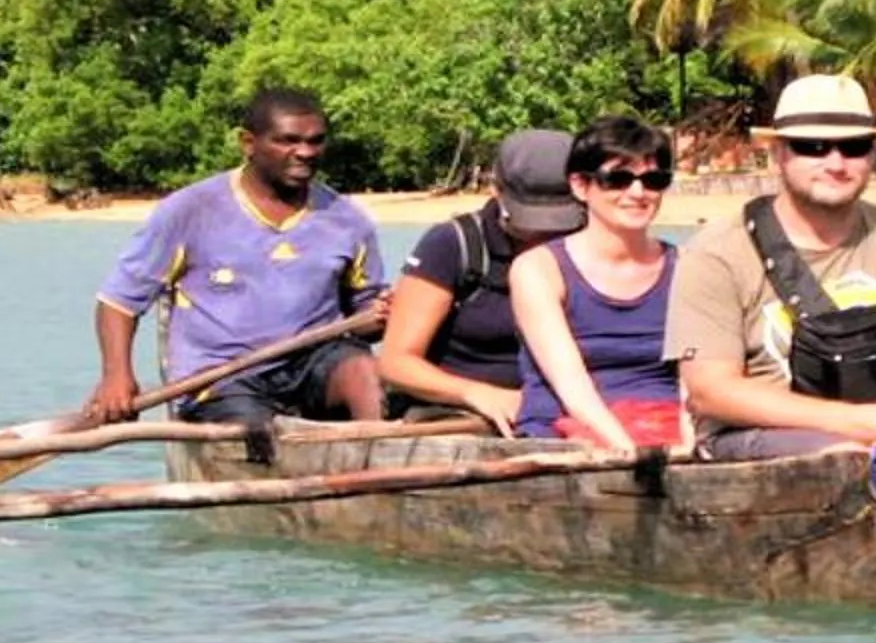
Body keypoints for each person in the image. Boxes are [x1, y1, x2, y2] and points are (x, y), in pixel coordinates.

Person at [664, 73, 876, 459]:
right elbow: (711, 391)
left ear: (872, 154)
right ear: (779, 154)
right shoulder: (717, 253)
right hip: (759, 439)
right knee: (846, 455)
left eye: (853, 147)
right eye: (813, 147)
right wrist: (862, 424)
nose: (835, 163)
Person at [85, 86, 386, 429]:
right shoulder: (190, 211)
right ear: (248, 143)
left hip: (314, 366)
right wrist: (116, 377)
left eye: (316, 141)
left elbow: (366, 320)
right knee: (255, 430)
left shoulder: (347, 220)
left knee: (367, 373)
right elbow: (118, 303)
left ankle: (382, 455)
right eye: (287, 141)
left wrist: (382, 314)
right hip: (219, 379)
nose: (304, 152)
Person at [377, 129, 587, 432]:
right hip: (458, 412)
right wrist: (479, 395)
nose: (543, 236)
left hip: (569, 407)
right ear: (496, 190)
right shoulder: (454, 244)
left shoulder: (595, 242)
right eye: (530, 223)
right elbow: (395, 362)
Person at [511, 113, 690, 450]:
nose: (638, 192)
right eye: (618, 179)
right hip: (567, 432)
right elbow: (572, 385)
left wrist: (688, 447)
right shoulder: (539, 269)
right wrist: (630, 452)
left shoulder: (688, 266)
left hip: (669, 426)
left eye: (654, 180)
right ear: (580, 186)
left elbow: (694, 381)